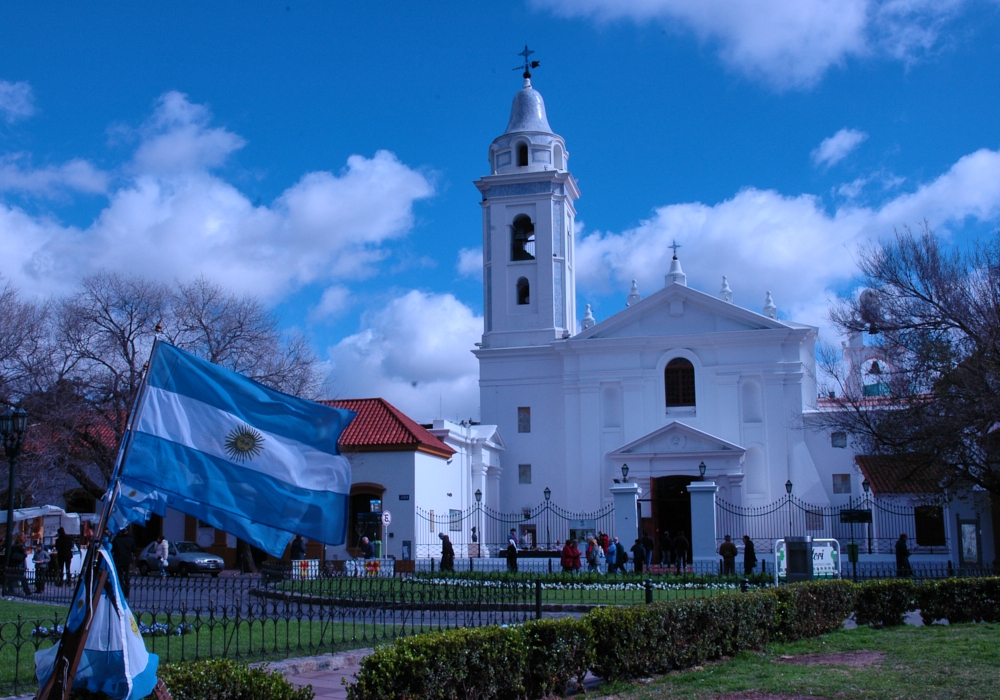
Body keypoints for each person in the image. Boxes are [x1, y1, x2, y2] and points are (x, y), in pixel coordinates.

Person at [111, 528, 136, 598]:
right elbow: (134, 549)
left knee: (119, 576)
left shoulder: (116, 540)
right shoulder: (131, 539)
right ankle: (126, 591)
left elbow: (112, 549)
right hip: (127, 560)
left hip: (118, 560)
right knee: (126, 575)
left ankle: (120, 590)